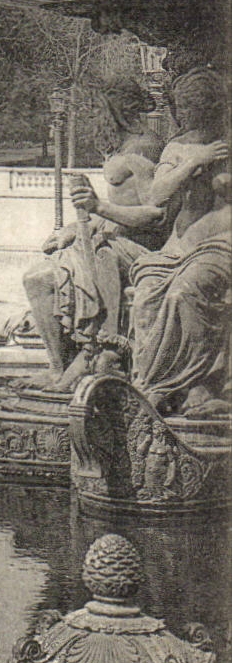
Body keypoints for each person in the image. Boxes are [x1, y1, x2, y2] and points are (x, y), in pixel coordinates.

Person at [21, 81, 168, 389]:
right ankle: (58, 367)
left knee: (54, 275)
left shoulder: (145, 147)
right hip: (109, 237)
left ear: (120, 112)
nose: (92, 121)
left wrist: (97, 207)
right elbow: (117, 206)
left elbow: (156, 216)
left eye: (98, 113)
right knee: (37, 278)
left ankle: (87, 355)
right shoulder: (123, 147)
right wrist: (76, 229)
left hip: (137, 248)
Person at [123, 68, 230, 416]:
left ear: (213, 107)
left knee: (184, 292)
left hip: (223, 245)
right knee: (149, 291)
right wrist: (193, 163)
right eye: (180, 107)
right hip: (178, 247)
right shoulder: (179, 147)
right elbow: (156, 196)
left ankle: (197, 387)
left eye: (189, 107)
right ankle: (151, 384)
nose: (181, 114)